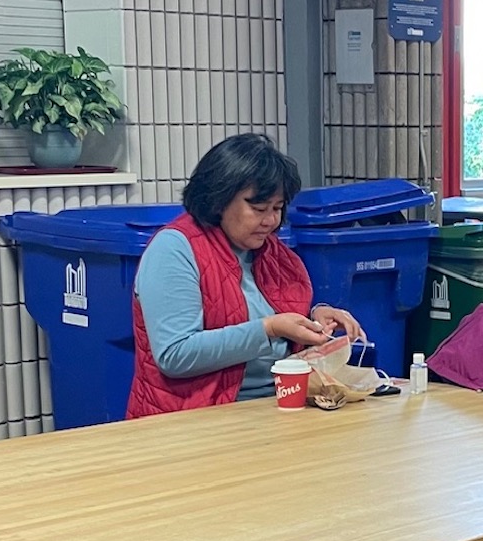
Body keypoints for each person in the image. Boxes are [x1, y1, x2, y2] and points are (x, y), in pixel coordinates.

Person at [127, 134, 362, 418]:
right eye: (259, 208)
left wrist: (316, 321)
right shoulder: (174, 249)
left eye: (277, 209)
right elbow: (175, 355)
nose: (271, 221)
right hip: (192, 419)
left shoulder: (273, 252)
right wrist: (269, 329)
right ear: (218, 201)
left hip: (274, 408)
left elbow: (275, 318)